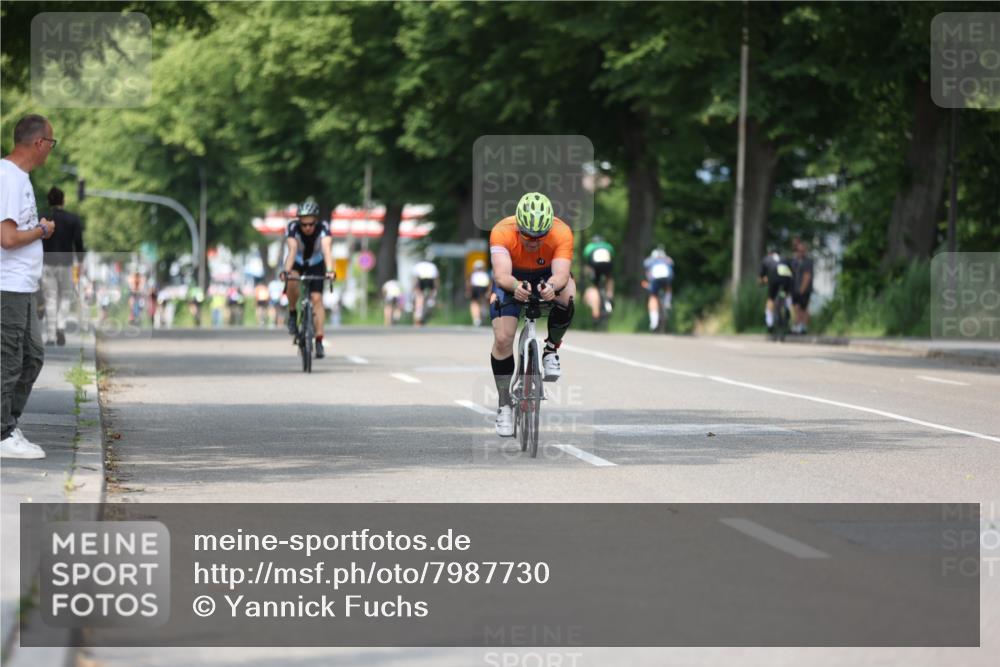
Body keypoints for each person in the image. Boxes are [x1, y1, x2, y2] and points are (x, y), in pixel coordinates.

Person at [488, 192, 575, 437]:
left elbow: (561, 274)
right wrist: (516, 286)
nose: (534, 241)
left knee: (567, 295)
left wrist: (552, 286)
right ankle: (504, 403)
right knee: (503, 338)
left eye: (540, 236)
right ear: (518, 226)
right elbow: (501, 275)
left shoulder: (562, 232)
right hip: (512, 277)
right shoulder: (502, 231)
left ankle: (550, 349)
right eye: (527, 236)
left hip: (546, 273)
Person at [1, 114, 58, 459]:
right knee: (9, 361)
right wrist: (41, 231)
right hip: (7, 285)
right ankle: (2, 434)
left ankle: (7, 425)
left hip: (21, 285)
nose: (51, 149)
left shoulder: (18, 177)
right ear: (39, 143)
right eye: (52, 142)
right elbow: (7, 238)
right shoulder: (8, 177)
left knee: (31, 356)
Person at [281, 200, 335, 358]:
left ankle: (319, 340)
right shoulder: (293, 227)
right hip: (297, 260)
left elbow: (327, 250)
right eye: (304, 224)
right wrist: (286, 271)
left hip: (316, 262)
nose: (307, 228)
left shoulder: (323, 228)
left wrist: (330, 271)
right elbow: (292, 250)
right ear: (299, 222)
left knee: (317, 298)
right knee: (292, 280)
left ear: (316, 221)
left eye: (311, 224)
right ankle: (292, 313)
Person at [41, 186, 84, 346]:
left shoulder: (43, 218)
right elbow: (79, 243)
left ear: (49, 201)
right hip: (66, 264)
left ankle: (51, 335)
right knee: (65, 296)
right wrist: (80, 263)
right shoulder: (73, 219)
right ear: (63, 201)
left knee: (50, 298)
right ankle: (61, 326)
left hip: (47, 263)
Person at [759, 246, 794, 336]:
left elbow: (761, 277)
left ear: (770, 253)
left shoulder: (767, 259)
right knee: (786, 295)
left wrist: (762, 282)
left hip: (774, 279)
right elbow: (792, 272)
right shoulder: (784, 258)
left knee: (771, 299)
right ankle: (788, 308)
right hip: (787, 279)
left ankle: (770, 324)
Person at [582, 234, 615, 323]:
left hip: (595, 265)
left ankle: (595, 313)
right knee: (609, 278)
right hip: (607, 265)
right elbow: (612, 255)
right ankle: (610, 295)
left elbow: (586, 259)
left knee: (595, 287)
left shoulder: (589, 246)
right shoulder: (607, 246)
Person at [642, 246, 674, 332]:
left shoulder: (650, 260)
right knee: (668, 286)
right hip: (667, 277)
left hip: (655, 279)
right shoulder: (667, 259)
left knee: (653, 297)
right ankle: (667, 301)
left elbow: (646, 266)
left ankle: (654, 321)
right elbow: (672, 264)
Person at [791, 238, 814, 335]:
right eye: (798, 250)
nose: (800, 252)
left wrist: (802, 289)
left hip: (804, 289)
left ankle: (803, 326)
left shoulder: (807, 262)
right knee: (796, 308)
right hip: (795, 288)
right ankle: (797, 325)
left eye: (802, 251)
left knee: (803, 308)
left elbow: (807, 276)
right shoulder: (794, 261)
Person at [411, 255, 440, 326]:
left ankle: (418, 312)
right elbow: (436, 279)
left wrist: (414, 288)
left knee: (419, 297)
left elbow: (414, 279)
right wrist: (436, 290)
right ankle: (431, 301)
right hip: (430, 281)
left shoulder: (418, 265)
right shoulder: (432, 266)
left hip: (421, 280)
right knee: (431, 295)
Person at [466, 259, 491, 327]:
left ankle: (477, 319)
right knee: (483, 302)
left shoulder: (473, 274)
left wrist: (468, 291)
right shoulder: (485, 274)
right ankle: (483, 313)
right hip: (483, 288)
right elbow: (489, 284)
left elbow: (469, 283)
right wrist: (489, 291)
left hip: (475, 287)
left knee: (474, 303)